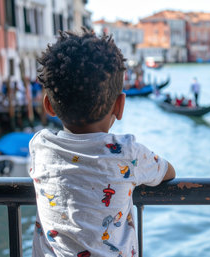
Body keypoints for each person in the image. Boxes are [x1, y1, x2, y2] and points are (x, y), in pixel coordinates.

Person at [30, 28, 176, 257]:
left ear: (48, 106)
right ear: (120, 106)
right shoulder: (129, 154)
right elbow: (168, 171)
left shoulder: (40, 148)